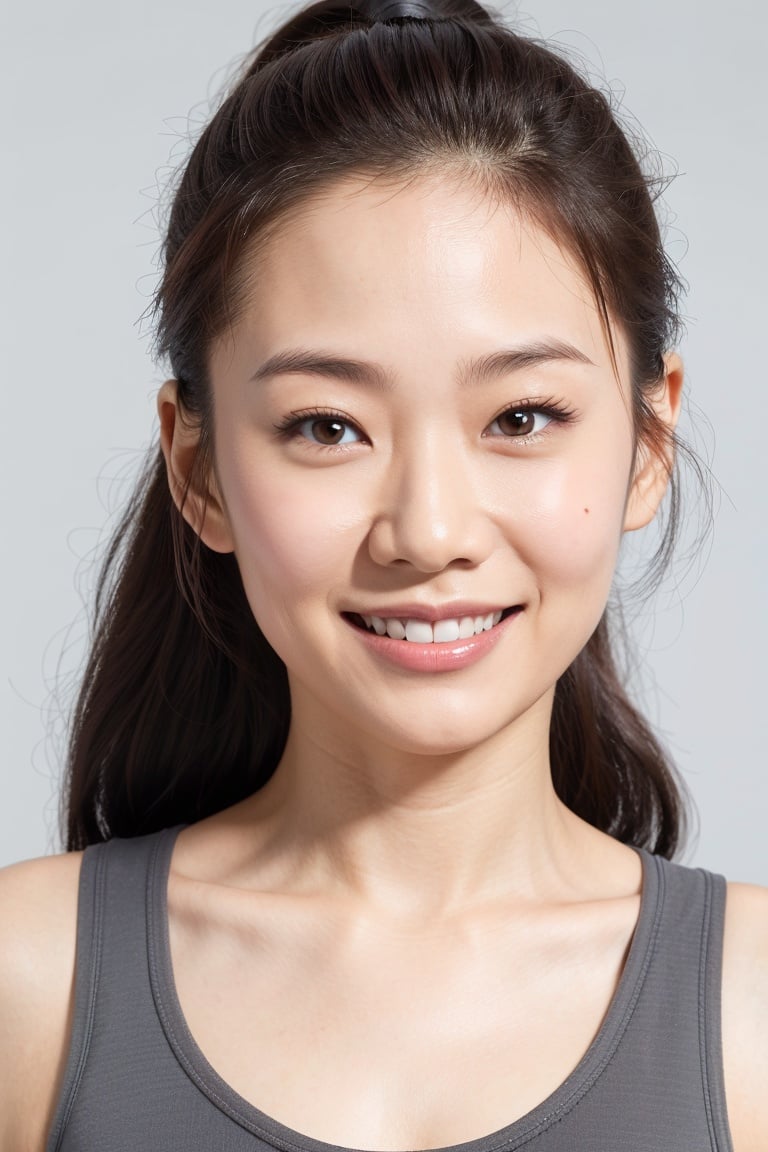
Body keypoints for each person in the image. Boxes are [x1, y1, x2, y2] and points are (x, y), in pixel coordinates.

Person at [1, 0, 766, 1147]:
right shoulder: (27, 988)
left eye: (520, 415)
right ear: (198, 468)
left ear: (648, 445)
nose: (428, 529)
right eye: (326, 427)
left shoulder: (754, 1016)